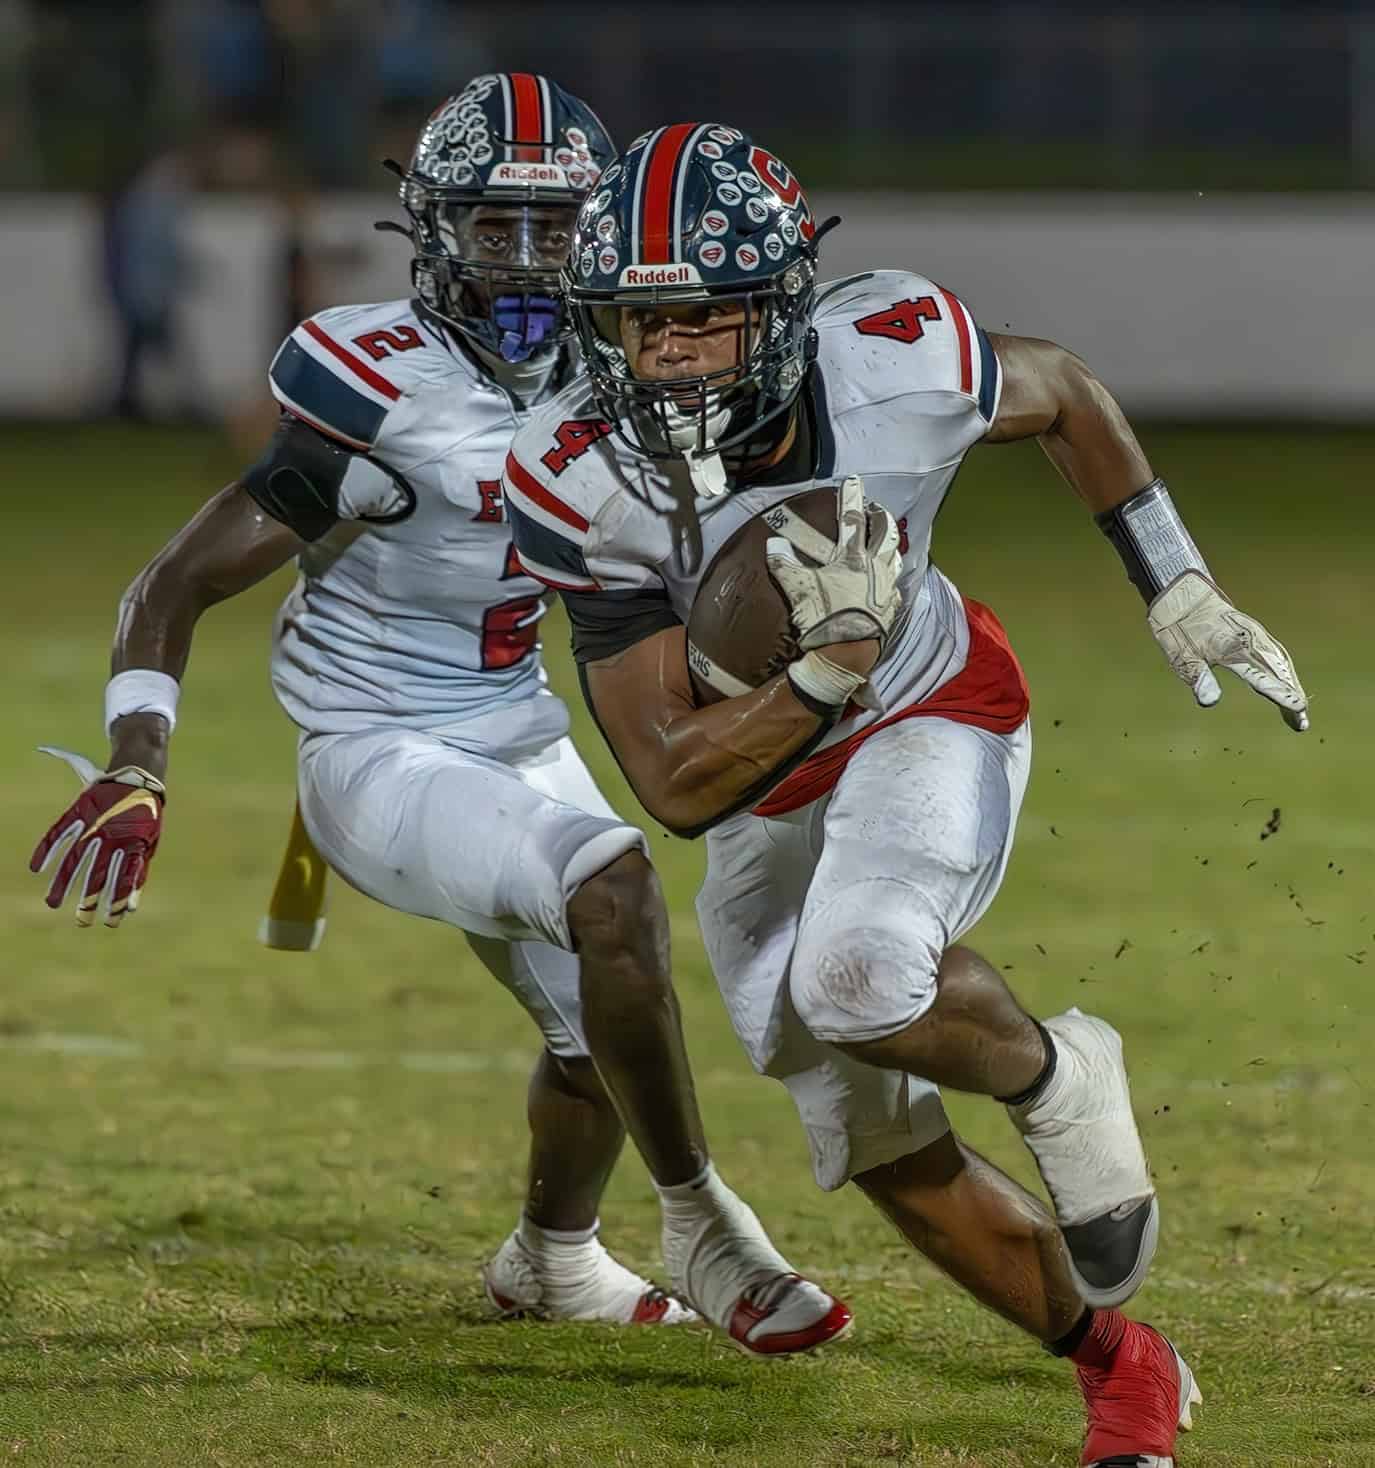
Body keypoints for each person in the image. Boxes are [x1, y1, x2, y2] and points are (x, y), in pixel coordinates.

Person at [504, 122, 1306, 1464]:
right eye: (636, 323)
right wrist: (815, 673)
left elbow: (1061, 390)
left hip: (928, 708)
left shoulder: (891, 356)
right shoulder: (575, 473)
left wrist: (1166, 571)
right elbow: (673, 784)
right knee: (868, 1130)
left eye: (701, 315)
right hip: (764, 779)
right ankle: (1120, 1364)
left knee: (859, 982)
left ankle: (1057, 1071)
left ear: (776, 303)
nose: (670, 352)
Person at [28, 82, 852, 1358]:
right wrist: (141, 755)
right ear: (430, 229)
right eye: (493, 228)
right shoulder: (380, 390)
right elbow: (177, 580)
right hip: (377, 747)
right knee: (613, 890)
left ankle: (550, 1257)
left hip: (516, 722)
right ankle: (703, 1223)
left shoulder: (628, 367)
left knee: (605, 1022)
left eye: (552, 229)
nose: (524, 262)